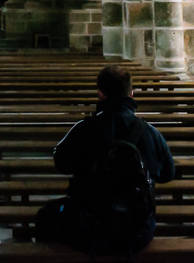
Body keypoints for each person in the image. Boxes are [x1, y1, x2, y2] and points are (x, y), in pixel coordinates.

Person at [35, 64, 175, 254]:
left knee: (45, 216)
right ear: (131, 93)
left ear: (100, 94)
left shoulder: (85, 128)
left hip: (91, 226)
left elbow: (61, 162)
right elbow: (168, 173)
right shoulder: (149, 132)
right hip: (137, 231)